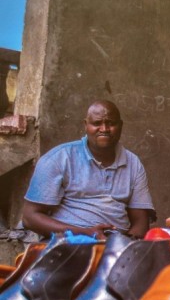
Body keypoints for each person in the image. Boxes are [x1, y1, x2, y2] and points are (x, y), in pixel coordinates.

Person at [22, 100, 154, 240]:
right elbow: (30, 218)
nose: (104, 129)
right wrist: (85, 233)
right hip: (67, 242)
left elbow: (141, 221)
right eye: (97, 123)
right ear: (86, 125)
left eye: (111, 123)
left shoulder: (133, 163)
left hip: (115, 245)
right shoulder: (59, 158)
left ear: (120, 126)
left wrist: (124, 245)